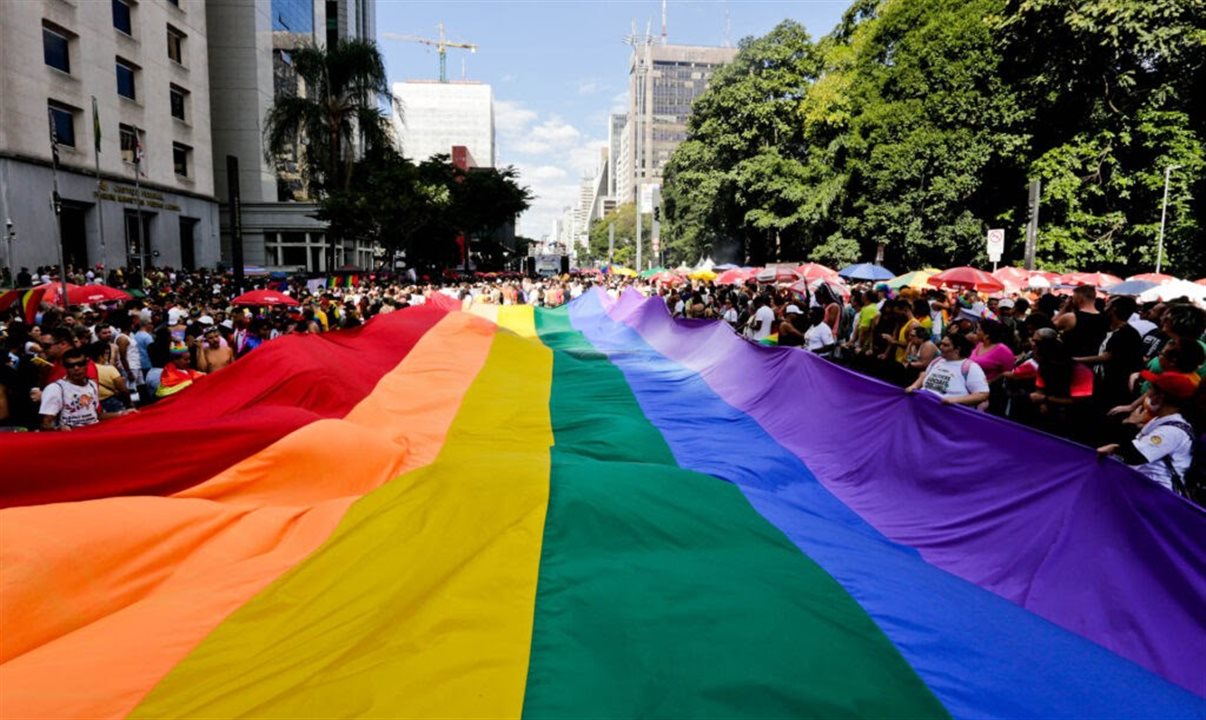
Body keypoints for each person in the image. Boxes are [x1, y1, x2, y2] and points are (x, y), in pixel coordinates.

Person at [1098, 370, 1199, 494]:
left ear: (1160, 397)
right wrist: (1115, 448)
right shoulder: (1161, 419)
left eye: (1150, 388)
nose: (1147, 393)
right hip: (1142, 484)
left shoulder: (1172, 431)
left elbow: (1134, 456)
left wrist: (1130, 423)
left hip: (1155, 494)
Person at [906, 332, 990, 406]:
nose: (941, 347)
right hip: (923, 404)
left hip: (947, 412)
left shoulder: (971, 368)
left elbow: (982, 394)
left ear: (957, 349)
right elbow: (925, 374)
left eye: (945, 345)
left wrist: (954, 400)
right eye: (941, 344)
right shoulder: (937, 361)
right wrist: (915, 386)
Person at [39, 347, 114, 430]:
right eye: (71, 366)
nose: (76, 368)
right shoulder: (55, 388)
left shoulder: (92, 385)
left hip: (94, 434)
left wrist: (122, 414)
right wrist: (59, 429)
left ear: (86, 364)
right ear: (65, 367)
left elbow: (97, 415)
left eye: (80, 364)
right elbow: (46, 424)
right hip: (73, 437)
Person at [1055, 285, 1109, 359]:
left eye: (1073, 298)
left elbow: (1050, 326)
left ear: (1079, 299)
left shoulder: (1071, 317)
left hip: (1070, 361)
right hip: (1093, 361)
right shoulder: (1105, 318)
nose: (1072, 300)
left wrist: (1065, 307)